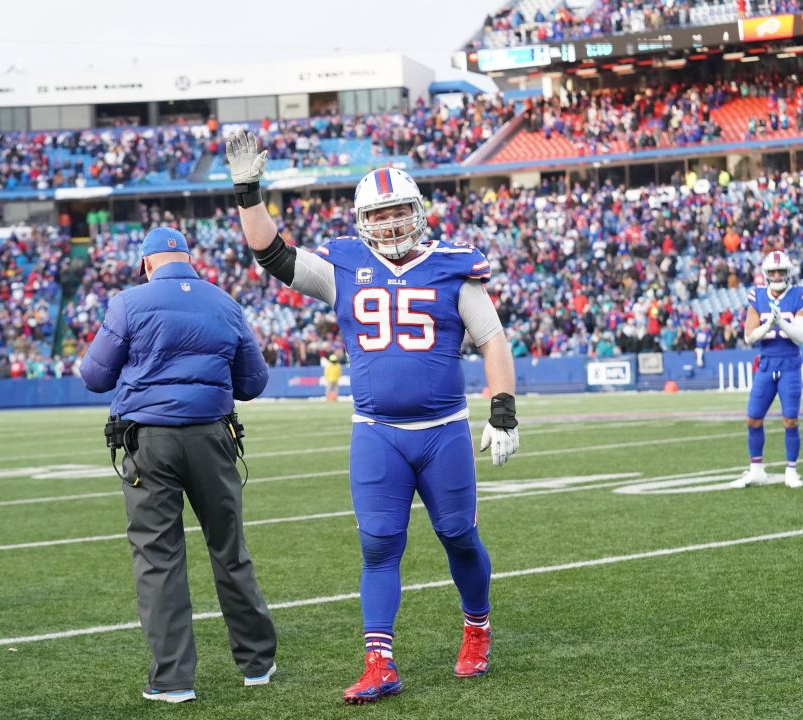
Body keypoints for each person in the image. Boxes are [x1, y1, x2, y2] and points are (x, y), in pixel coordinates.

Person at [225, 130, 520, 705]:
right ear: (363, 220)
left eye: (398, 212)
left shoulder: (453, 267)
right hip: (377, 433)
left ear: (419, 213)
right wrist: (247, 190)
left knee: (459, 535)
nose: (389, 224)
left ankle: (477, 629)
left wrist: (502, 411)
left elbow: (492, 339)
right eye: (379, 214)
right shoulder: (344, 265)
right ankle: (379, 661)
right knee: (379, 547)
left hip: (443, 432)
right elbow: (272, 253)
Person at [79, 227, 277, 704]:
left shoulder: (128, 303)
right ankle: (257, 663)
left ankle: (173, 680)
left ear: (146, 263)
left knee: (158, 557)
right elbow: (254, 382)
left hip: (149, 441)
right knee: (230, 549)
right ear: (189, 259)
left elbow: (94, 376)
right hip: (213, 437)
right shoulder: (225, 303)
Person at [730, 250, 803, 490]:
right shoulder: (757, 296)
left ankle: (791, 470)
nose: (777, 275)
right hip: (766, 364)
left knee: (790, 419)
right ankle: (756, 470)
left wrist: (782, 323)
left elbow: (800, 337)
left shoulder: (800, 294)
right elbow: (749, 337)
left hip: (789, 363)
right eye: (773, 272)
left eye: (781, 271)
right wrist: (769, 323)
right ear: (766, 274)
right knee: (753, 418)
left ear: (788, 273)